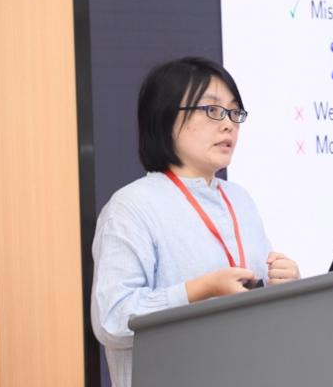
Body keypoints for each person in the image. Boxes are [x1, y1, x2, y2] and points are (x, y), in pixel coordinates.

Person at [90, 56, 300, 387]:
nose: (228, 124)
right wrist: (198, 291)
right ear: (166, 117)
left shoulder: (240, 200)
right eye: (212, 110)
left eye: (234, 113)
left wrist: (285, 286)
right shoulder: (131, 206)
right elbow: (112, 320)